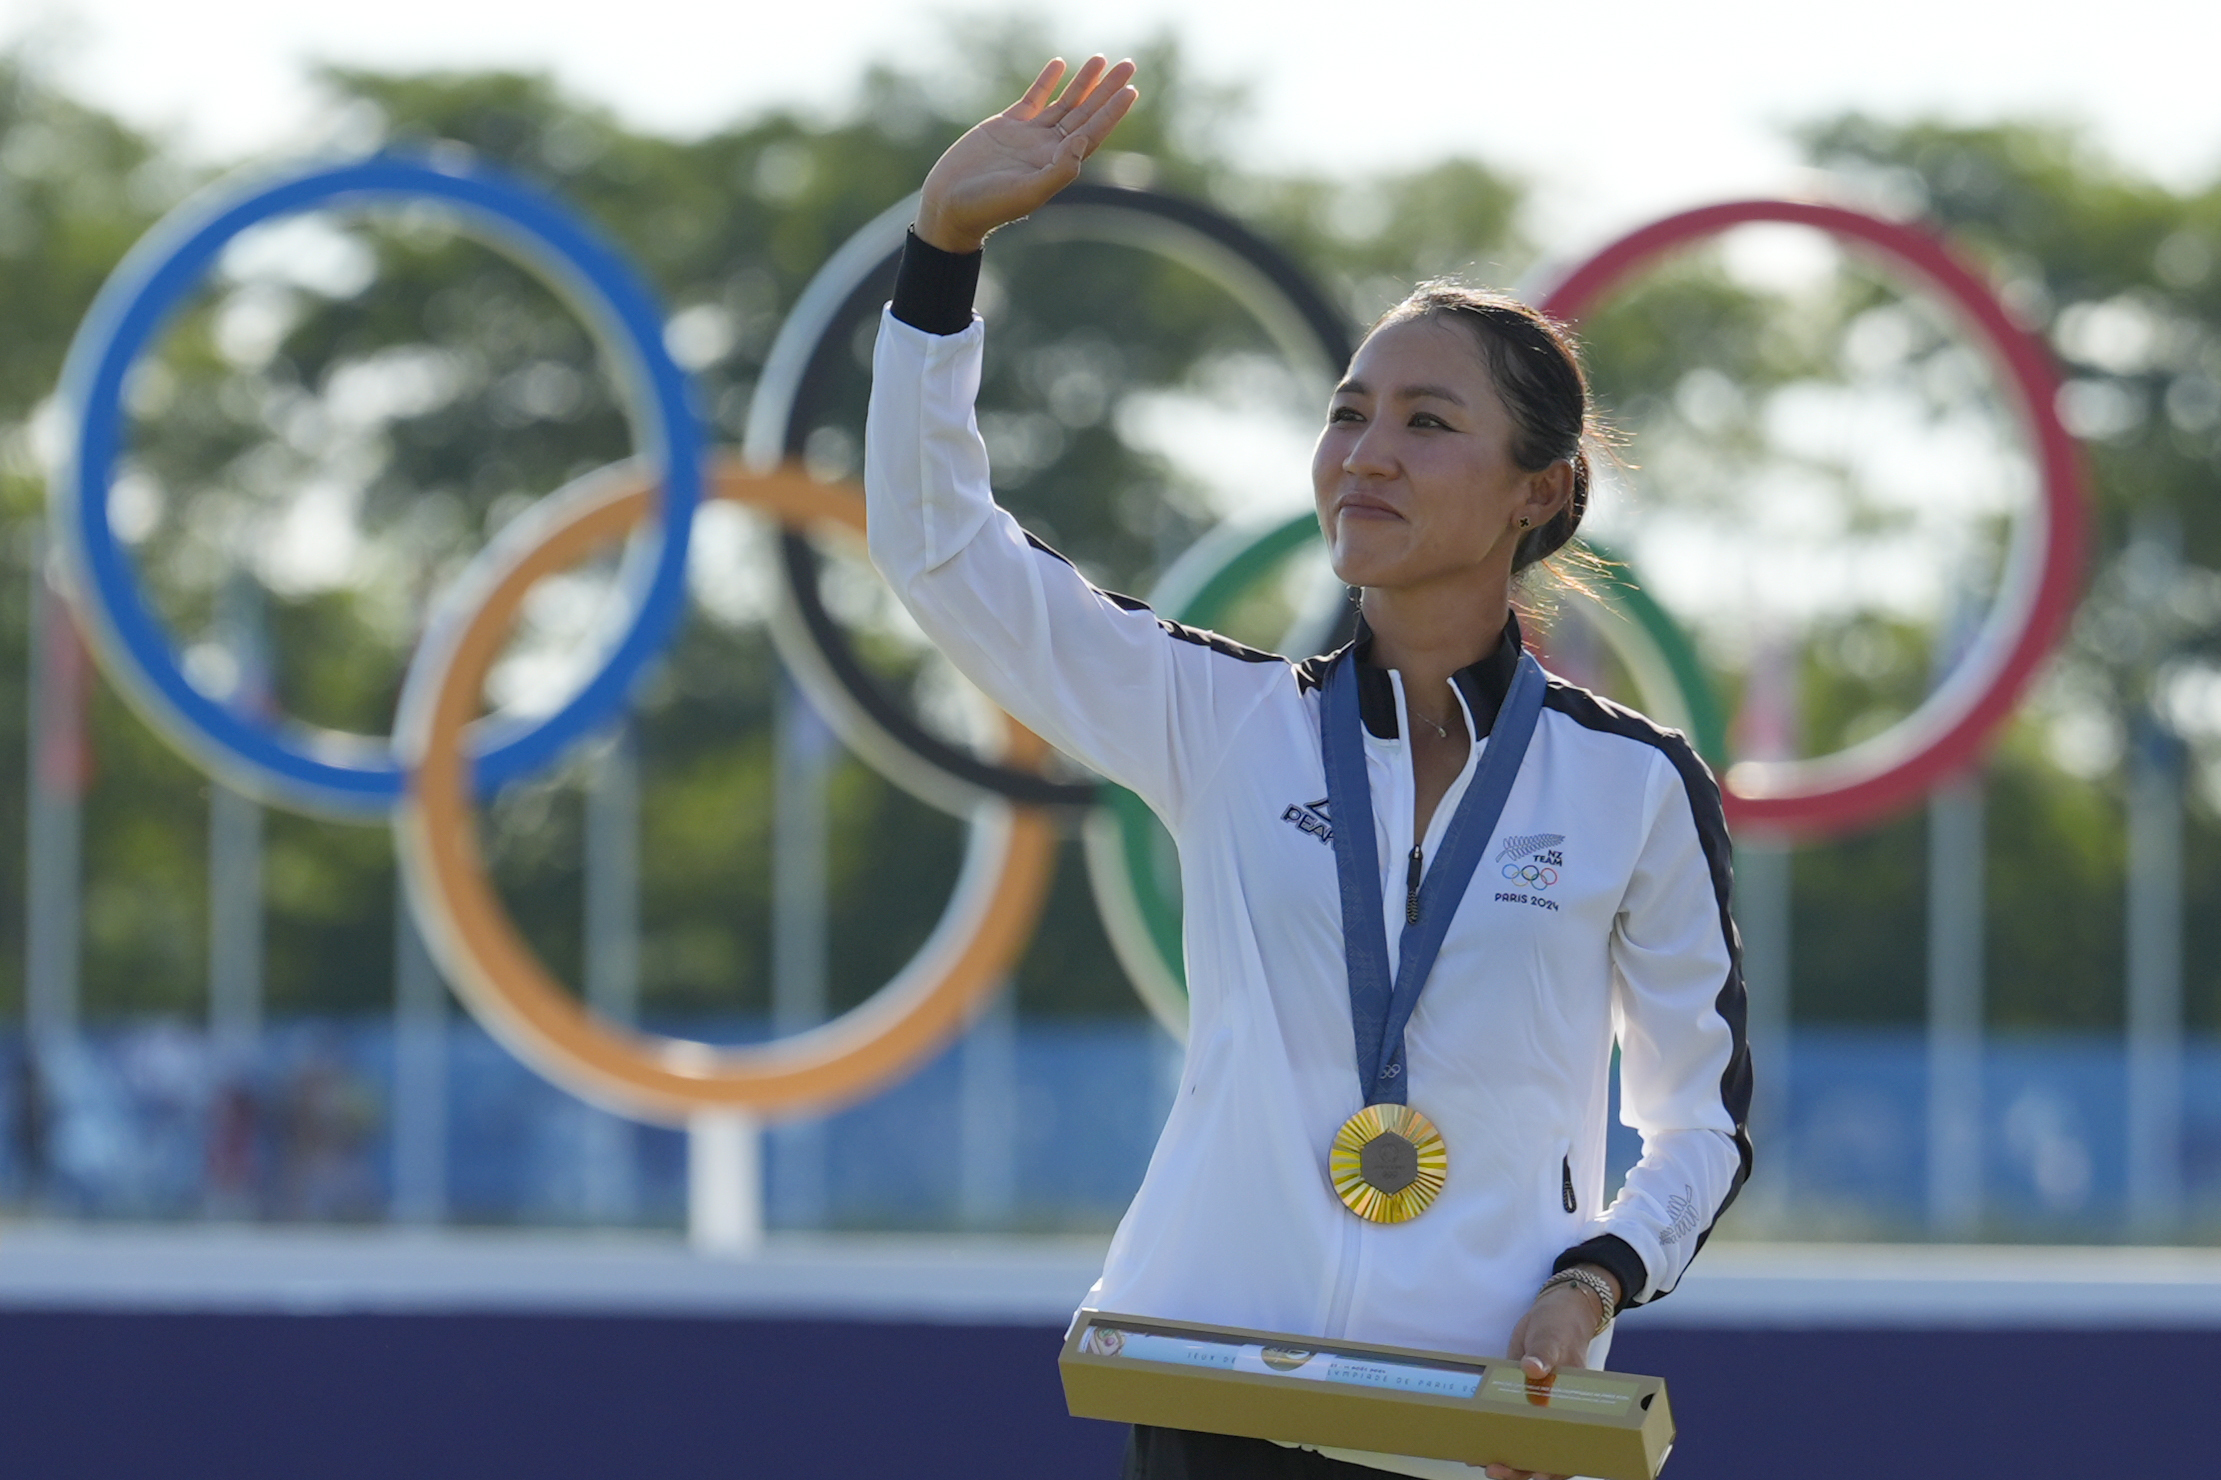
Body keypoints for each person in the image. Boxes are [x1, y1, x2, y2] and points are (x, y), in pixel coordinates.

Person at [867, 57, 1751, 1480]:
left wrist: (1594, 1280)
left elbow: (1697, 1119)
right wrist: (942, 252)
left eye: (1426, 422)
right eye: (1347, 413)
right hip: (1206, 1389)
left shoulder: (1631, 785)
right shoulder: (1218, 720)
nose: (1365, 455)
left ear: (1539, 491)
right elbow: (936, 549)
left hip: (1476, 1422)